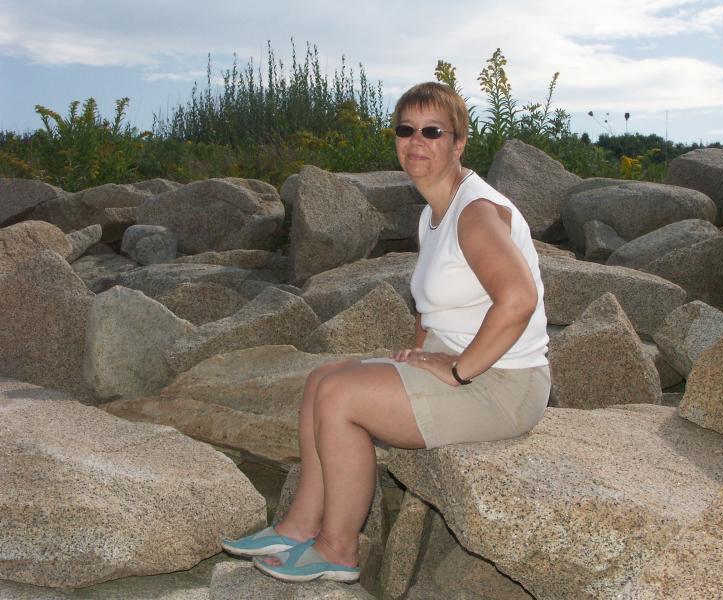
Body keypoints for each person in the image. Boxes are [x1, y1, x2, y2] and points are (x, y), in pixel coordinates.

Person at [222, 82, 551, 583]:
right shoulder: (434, 211)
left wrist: (458, 371)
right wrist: (419, 352)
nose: (416, 141)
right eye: (406, 129)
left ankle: (337, 549)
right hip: (463, 360)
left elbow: (519, 300)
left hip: (504, 383)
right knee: (321, 380)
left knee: (342, 397)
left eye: (432, 131)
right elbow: (433, 298)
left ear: (459, 143)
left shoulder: (476, 212)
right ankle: (297, 527)